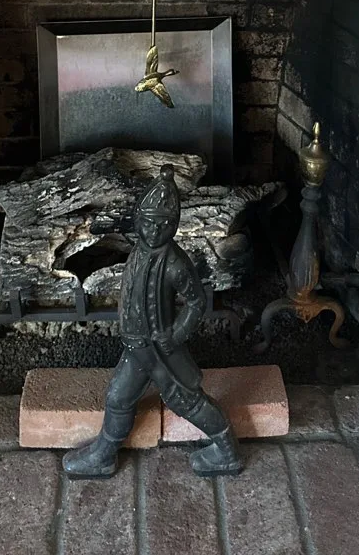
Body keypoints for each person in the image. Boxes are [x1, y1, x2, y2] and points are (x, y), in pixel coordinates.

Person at [63, 165, 243, 479]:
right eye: (147, 223)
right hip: (137, 347)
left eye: (163, 225)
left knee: (185, 400)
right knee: (118, 397)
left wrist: (176, 334)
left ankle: (227, 451)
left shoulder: (175, 264)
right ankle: (104, 454)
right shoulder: (140, 250)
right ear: (138, 221)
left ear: (173, 226)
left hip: (160, 350)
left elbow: (196, 301)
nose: (154, 231)